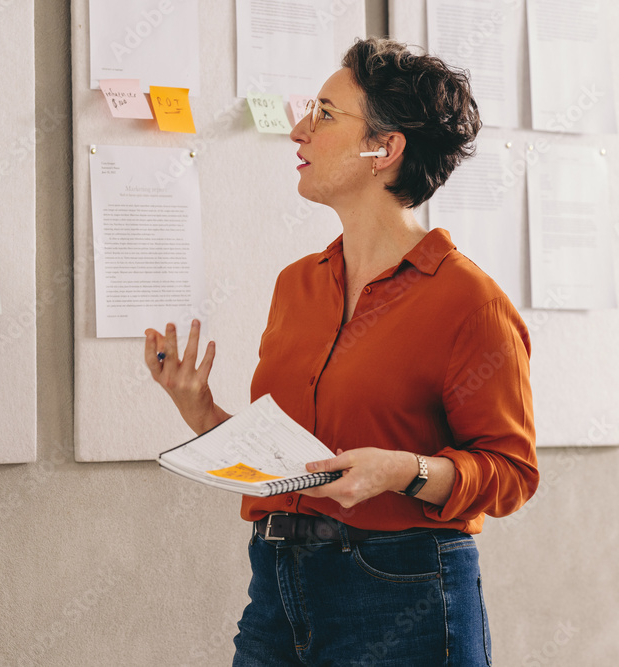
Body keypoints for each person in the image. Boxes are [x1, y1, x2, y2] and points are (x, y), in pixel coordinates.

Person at [144, 37, 538, 666]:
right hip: (276, 582)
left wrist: (403, 470)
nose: (298, 131)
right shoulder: (296, 285)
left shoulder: (470, 302)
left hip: (402, 591)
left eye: (324, 113)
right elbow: (292, 459)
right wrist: (203, 415)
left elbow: (512, 474)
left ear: (384, 148)